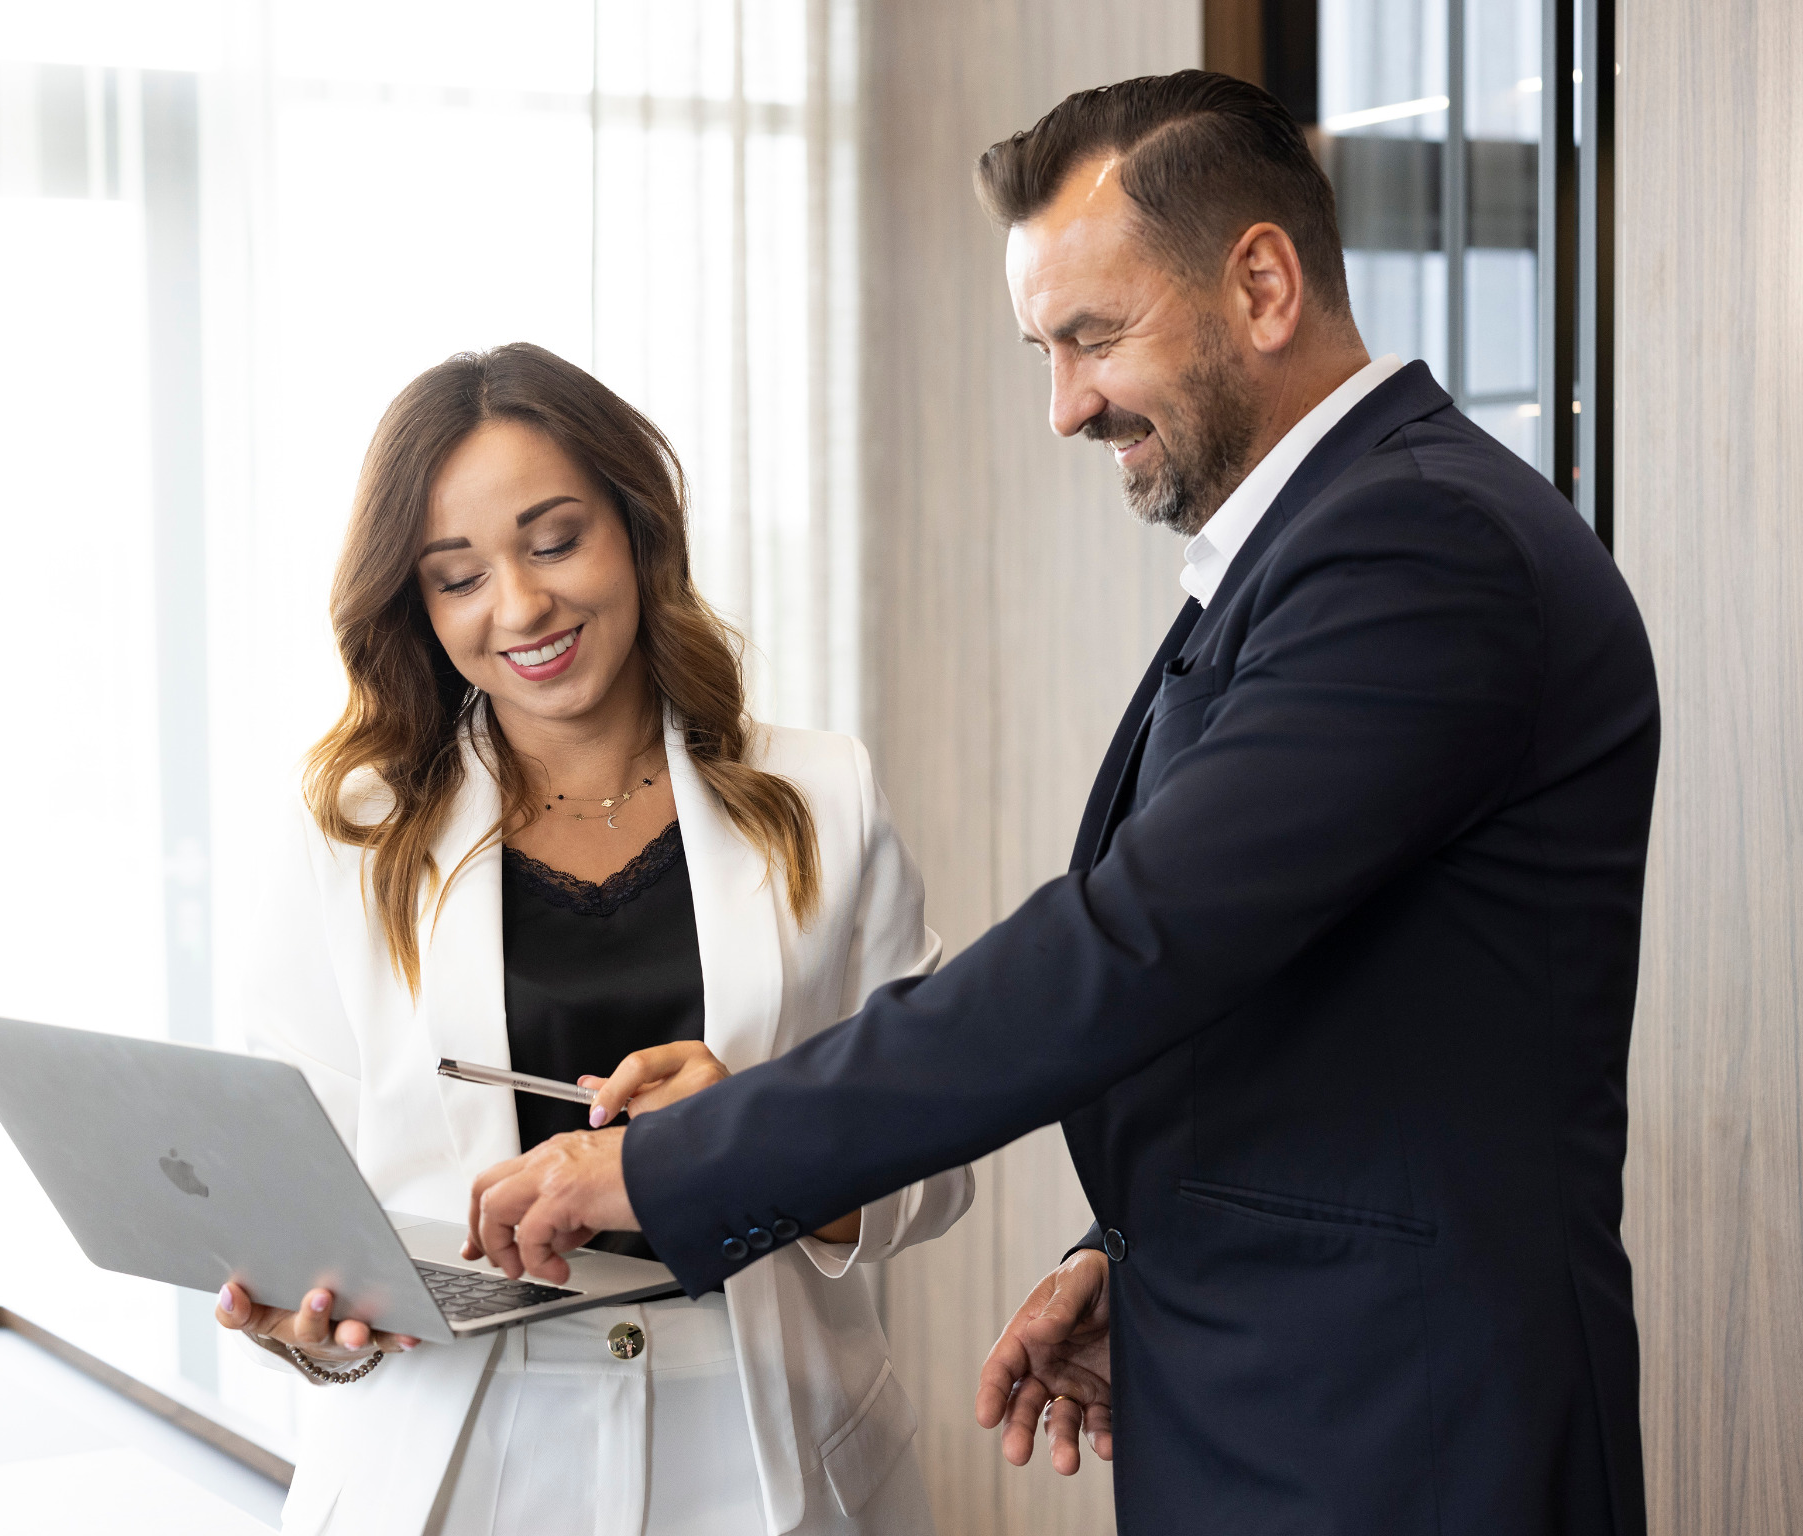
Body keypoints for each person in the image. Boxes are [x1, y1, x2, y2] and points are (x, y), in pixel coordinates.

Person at [466, 72, 1661, 1536]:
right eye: (1044, 348)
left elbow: (1130, 946)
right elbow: (1299, 998)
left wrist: (667, 1165)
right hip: (1290, 1391)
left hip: (1405, 1435)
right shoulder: (1332, 540)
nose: (1065, 405)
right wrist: (1133, 1245)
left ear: (1265, 284)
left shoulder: (1420, 550)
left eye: (1093, 337)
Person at [212, 343, 973, 1536]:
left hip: (758, 1443)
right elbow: (296, 1182)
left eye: (554, 542)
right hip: (458, 1458)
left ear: (635, 527)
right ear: (414, 603)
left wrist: (757, 1141)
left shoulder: (824, 793)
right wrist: (309, 1332)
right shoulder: (352, 835)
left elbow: (937, 1152)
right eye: (456, 576)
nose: (519, 608)